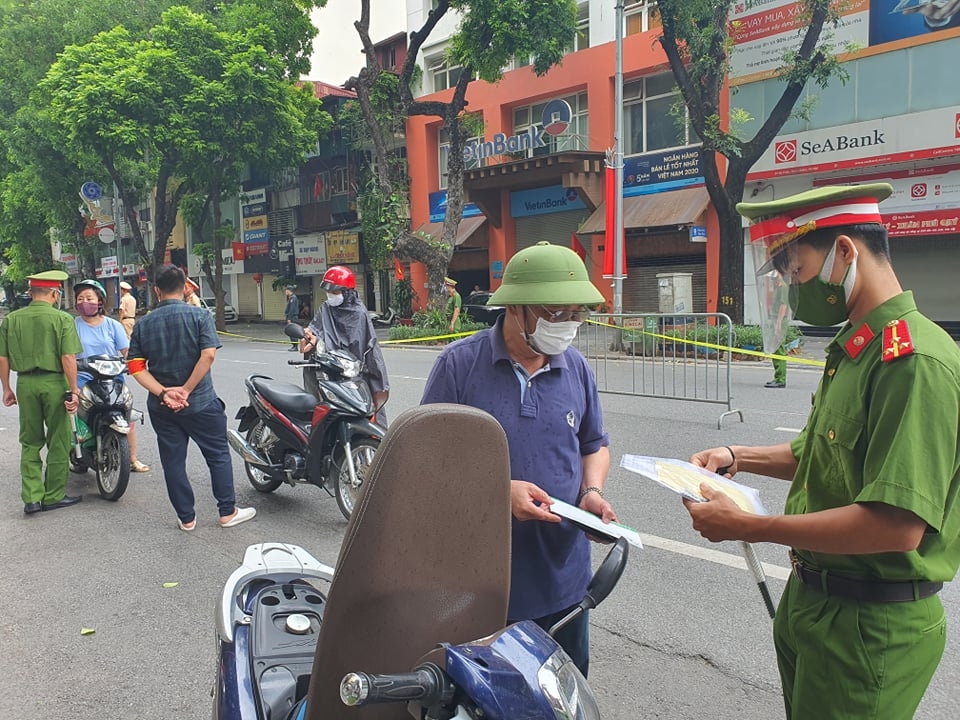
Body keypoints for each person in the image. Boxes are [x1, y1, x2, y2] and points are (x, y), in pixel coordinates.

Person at [684, 184, 960, 720]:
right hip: (816, 601)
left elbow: (893, 525)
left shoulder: (914, 362)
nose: (792, 287)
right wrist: (736, 455)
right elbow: (818, 452)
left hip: (868, 624)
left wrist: (749, 527)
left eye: (797, 269)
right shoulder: (857, 348)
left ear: (845, 252)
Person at [421, 241, 617, 676]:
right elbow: (425, 460)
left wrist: (592, 492)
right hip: (481, 583)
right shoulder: (459, 367)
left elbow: (593, 443)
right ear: (516, 309)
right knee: (489, 695)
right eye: (555, 313)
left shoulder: (577, 369)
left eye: (576, 314)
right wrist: (497, 493)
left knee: (561, 692)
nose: (568, 325)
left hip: (563, 581)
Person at [127, 264, 255, 531]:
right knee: (218, 455)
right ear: (185, 286)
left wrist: (164, 392)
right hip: (201, 402)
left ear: (156, 290)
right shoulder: (200, 316)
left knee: (173, 462)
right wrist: (186, 389)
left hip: (162, 408)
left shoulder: (144, 324)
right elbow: (208, 355)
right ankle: (226, 512)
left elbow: (136, 367)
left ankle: (187, 518)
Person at [0, 270, 84, 514]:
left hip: (25, 384)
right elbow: (67, 357)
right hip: (55, 383)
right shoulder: (62, 319)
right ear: (55, 294)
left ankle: (32, 498)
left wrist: (6, 387)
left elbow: (3, 357)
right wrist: (74, 390)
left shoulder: (12, 319)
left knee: (30, 441)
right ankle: (53, 495)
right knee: (58, 439)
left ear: (31, 292)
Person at [73, 279, 150, 473]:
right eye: (80, 298)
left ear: (100, 301)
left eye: (89, 297)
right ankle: (79, 452)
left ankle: (132, 458)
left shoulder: (113, 326)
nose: (84, 301)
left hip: (112, 380)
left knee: (126, 415)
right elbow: (67, 355)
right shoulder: (72, 326)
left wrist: (134, 365)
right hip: (83, 380)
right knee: (77, 416)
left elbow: (126, 352)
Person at [301, 266, 390, 424]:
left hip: (352, 374)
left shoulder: (359, 314)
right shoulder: (326, 310)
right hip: (329, 371)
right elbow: (314, 330)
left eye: (335, 292)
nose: (331, 296)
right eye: (329, 293)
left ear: (347, 292)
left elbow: (369, 348)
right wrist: (309, 339)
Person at [765, 277, 790, 389]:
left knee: (779, 349)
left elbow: (783, 306)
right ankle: (777, 377)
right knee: (775, 348)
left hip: (779, 320)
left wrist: (779, 323)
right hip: (775, 319)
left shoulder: (783, 287)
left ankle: (781, 379)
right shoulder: (778, 287)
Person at [284, 285, 300, 351]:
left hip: (293, 317)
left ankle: (295, 346)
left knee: (292, 332)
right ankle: (294, 345)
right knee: (291, 332)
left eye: (286, 290)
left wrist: (289, 318)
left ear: (289, 291)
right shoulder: (291, 298)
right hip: (292, 317)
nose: (286, 292)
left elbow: (292, 309)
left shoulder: (293, 298)